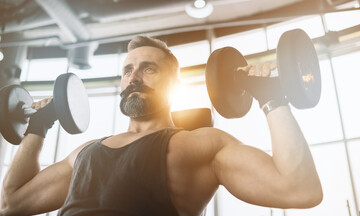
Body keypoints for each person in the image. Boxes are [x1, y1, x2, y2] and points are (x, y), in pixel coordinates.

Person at [0, 36, 323, 216]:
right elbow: (11, 203)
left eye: (148, 68)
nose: (134, 77)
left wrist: (272, 100)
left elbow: (300, 190)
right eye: (127, 70)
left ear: (174, 83)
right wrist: (37, 129)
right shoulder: (85, 152)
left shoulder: (202, 144)